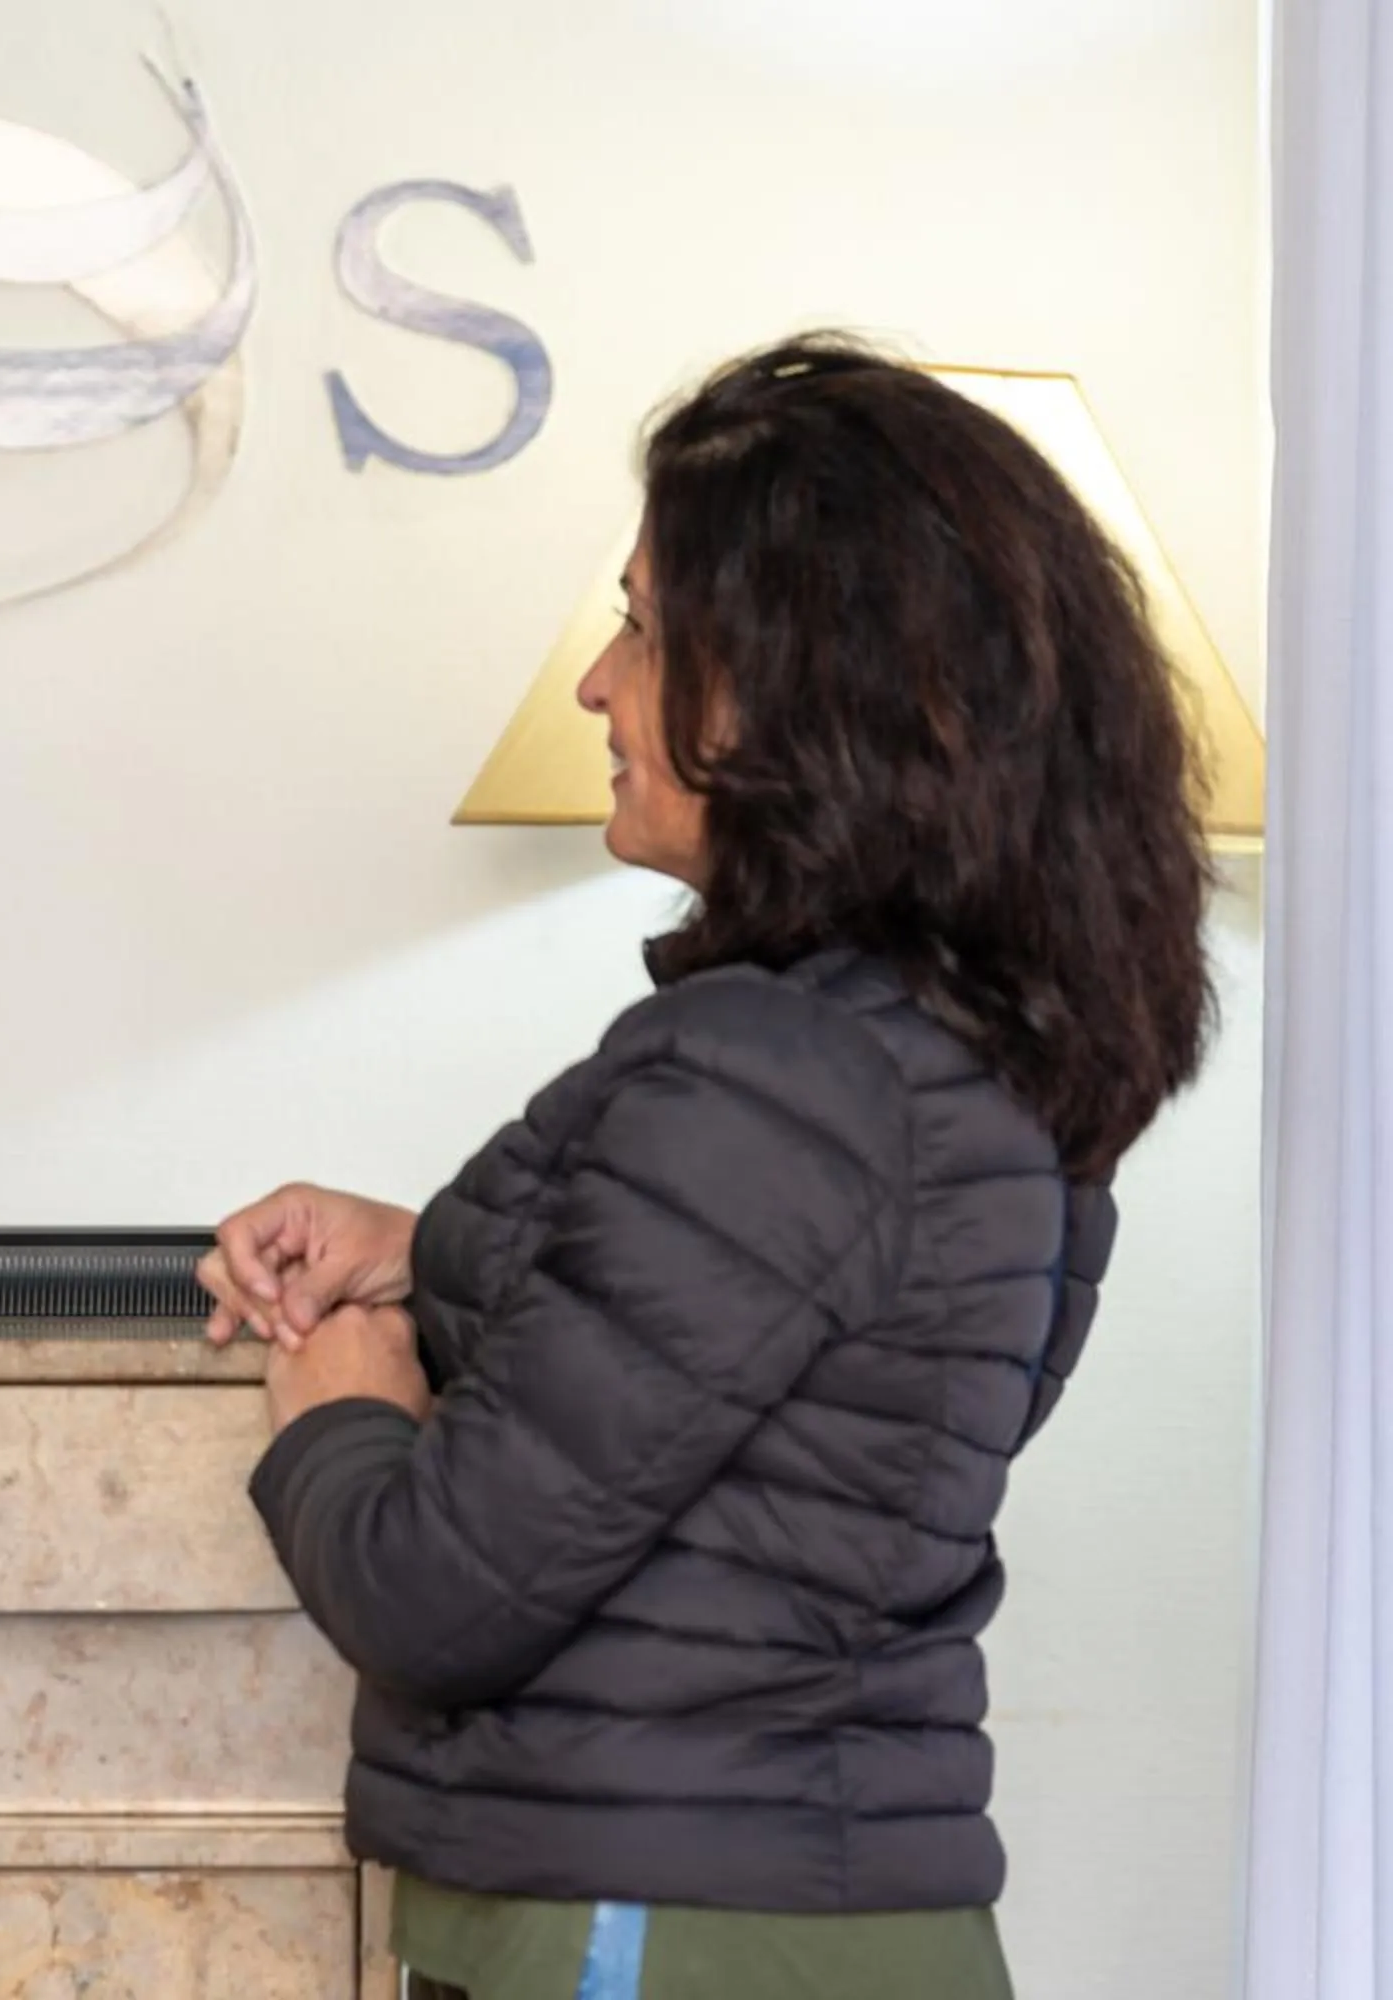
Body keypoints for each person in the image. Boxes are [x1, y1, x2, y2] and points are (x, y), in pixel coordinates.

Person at [202, 337, 1214, 2000]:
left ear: (779, 690)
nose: (599, 687)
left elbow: (440, 1595)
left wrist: (345, 1402)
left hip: (656, 1935)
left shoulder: (776, 1076)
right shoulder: (968, 1062)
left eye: (644, 629)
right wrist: (431, 1250)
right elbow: (797, 1454)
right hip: (799, 1924)